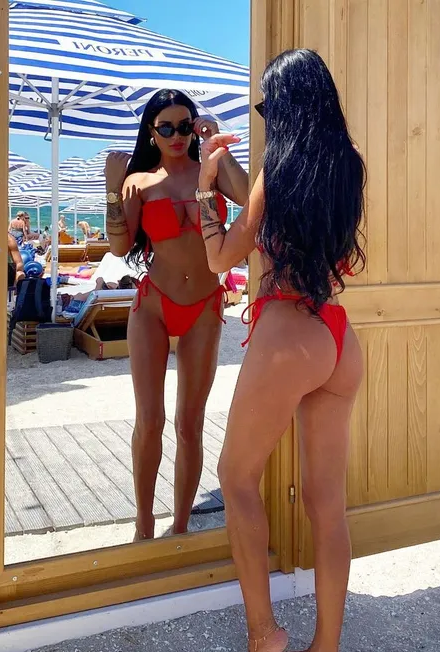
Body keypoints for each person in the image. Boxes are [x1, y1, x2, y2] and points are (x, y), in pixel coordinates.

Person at [197, 49, 366, 652]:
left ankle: (264, 632)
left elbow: (221, 258)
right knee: (328, 504)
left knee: (236, 478)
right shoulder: (347, 166)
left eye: (269, 107)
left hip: (288, 331)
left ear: (286, 106)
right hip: (337, 336)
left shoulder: (278, 172)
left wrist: (205, 187)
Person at [105, 89, 248, 541]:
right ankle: (144, 524)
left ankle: (181, 526)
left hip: (204, 306)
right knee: (150, 421)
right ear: (151, 131)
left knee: (190, 424)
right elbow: (119, 247)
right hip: (153, 306)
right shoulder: (139, 182)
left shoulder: (209, 171)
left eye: (184, 125)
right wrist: (111, 189)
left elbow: (249, 196)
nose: (176, 135)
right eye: (165, 127)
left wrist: (216, 148)